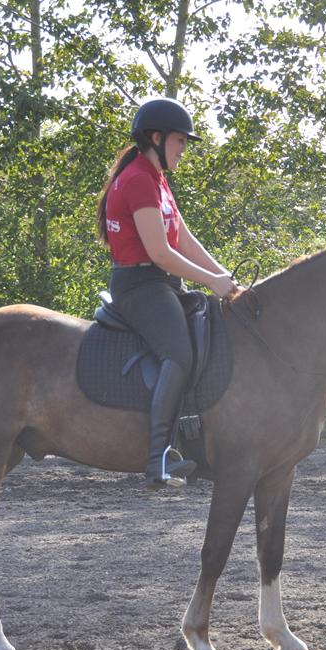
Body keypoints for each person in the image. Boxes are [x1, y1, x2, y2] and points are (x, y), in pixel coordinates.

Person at [96, 97, 239, 488]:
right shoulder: (139, 180)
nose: (183, 149)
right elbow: (160, 252)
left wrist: (224, 277)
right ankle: (159, 457)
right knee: (178, 352)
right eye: (180, 141)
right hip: (140, 286)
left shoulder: (156, 179)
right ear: (156, 138)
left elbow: (184, 239)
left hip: (160, 283)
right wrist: (212, 282)